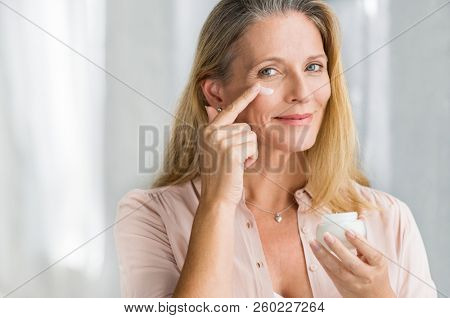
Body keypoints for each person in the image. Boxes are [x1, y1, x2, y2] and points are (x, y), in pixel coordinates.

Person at [114, 0, 437, 298]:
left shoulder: (390, 219)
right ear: (216, 93)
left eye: (313, 67)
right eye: (270, 71)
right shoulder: (151, 216)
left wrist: (381, 302)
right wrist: (217, 203)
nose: (302, 93)